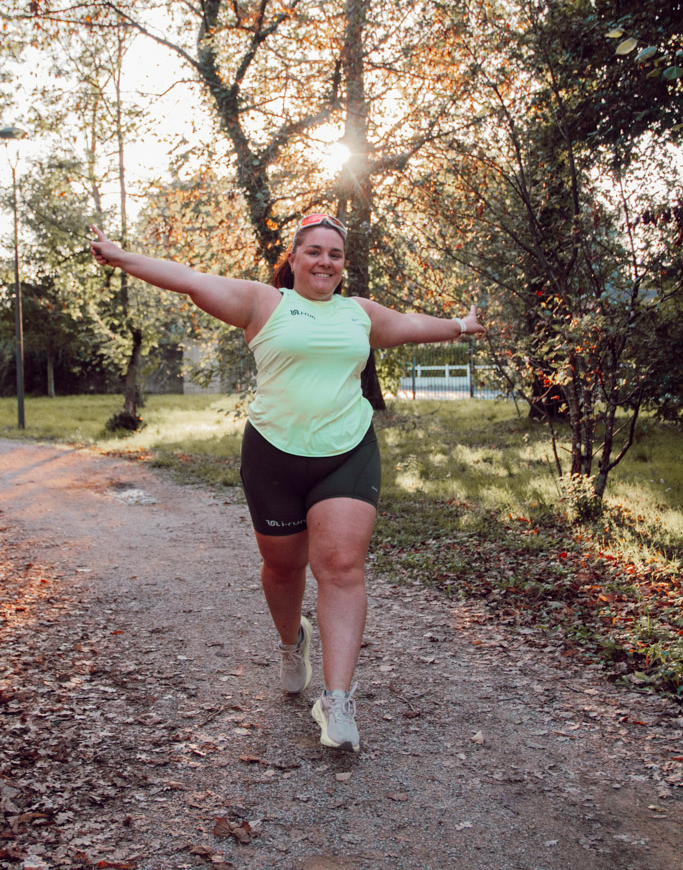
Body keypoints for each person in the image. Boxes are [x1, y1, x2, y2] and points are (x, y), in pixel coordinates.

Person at [90, 213, 485, 752]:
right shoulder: (263, 303)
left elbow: (414, 325)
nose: (326, 261)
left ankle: (338, 699)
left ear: (343, 266)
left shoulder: (359, 314)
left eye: (335, 254)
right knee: (283, 565)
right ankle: (290, 640)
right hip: (273, 454)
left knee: (342, 567)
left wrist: (461, 326)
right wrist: (120, 256)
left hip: (347, 451)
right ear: (294, 258)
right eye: (315, 251)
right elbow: (187, 278)